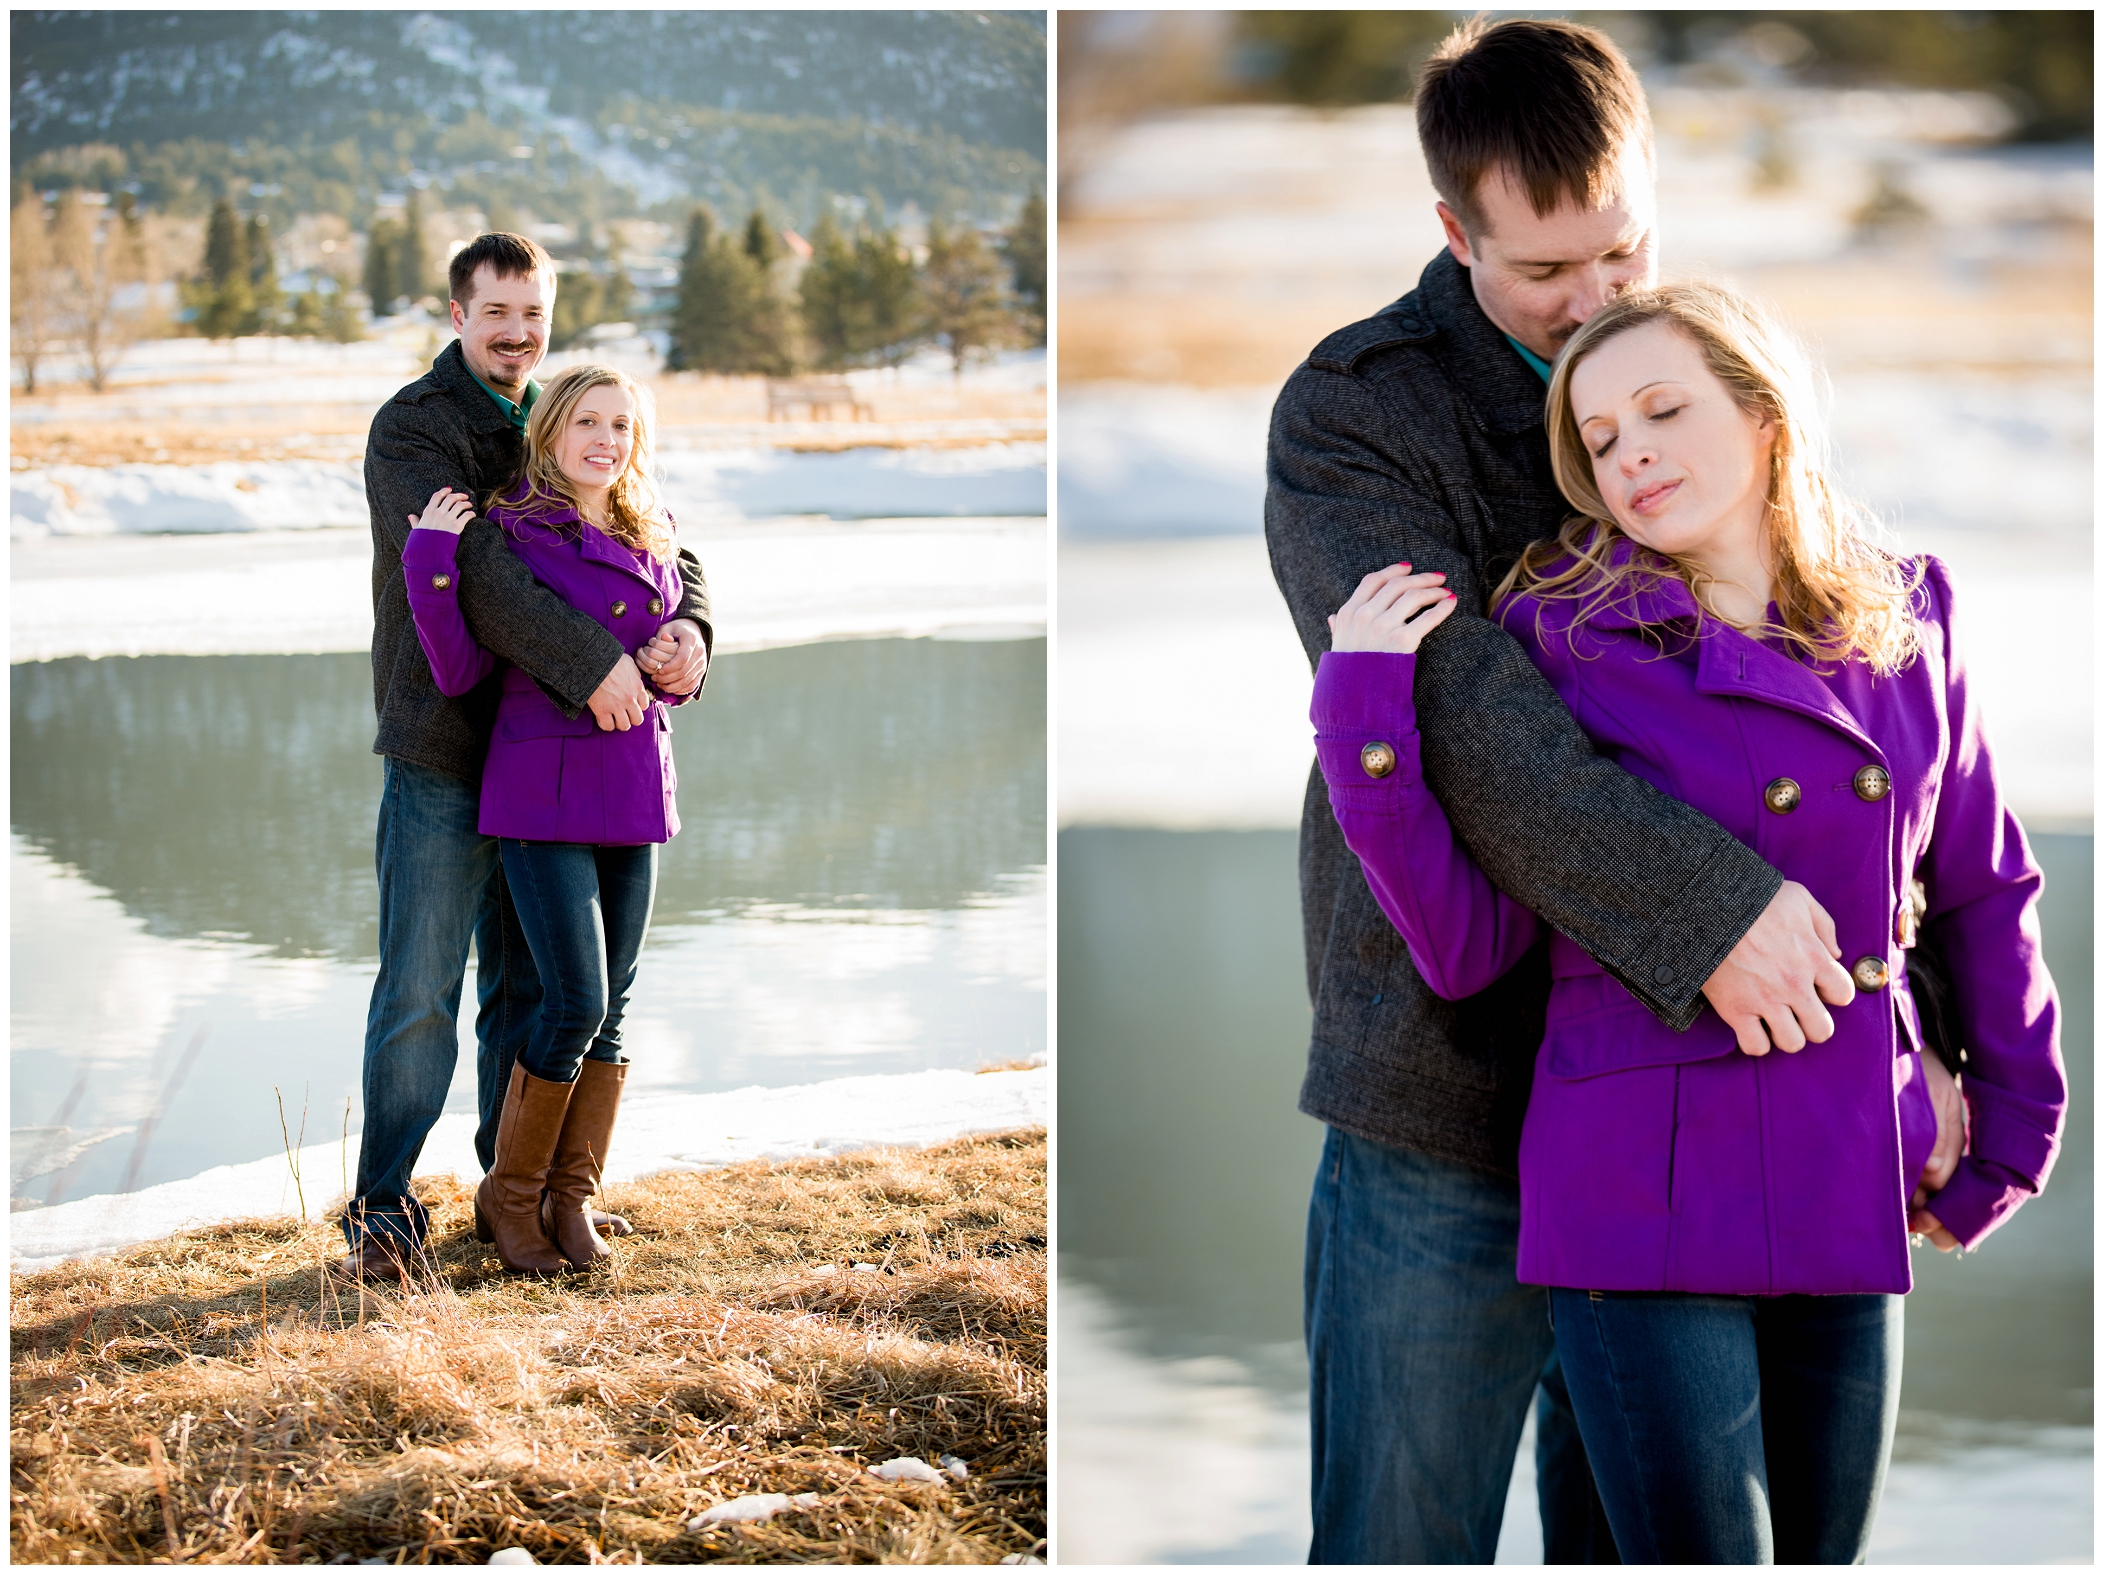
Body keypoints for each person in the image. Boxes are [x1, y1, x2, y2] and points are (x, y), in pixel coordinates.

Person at [1264, 16, 1956, 1563]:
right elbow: (1461, 712)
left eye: (1623, 252)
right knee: (1398, 1535)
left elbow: (1866, 728)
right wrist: (1706, 909)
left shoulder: (1701, 367)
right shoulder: (1354, 412)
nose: (1593, 305)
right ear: (1455, 232)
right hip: (1446, 1076)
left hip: (1696, 1094)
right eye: (1546, 275)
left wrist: (1930, 1042)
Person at [1311, 279, 2064, 1563]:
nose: (1631, 453)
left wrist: (2008, 1135)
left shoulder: (1905, 614)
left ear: (1765, 415)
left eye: (1662, 410)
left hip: (1850, 1171)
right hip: (1634, 1201)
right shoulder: (1559, 638)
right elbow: (1468, 947)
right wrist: (1364, 721)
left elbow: (1981, 885)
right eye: (1598, 439)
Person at [342, 232, 711, 1282]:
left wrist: (694, 630)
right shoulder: (415, 428)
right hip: (442, 742)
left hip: (547, 758)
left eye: (533, 315)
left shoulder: (557, 408)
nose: (516, 333)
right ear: (457, 313)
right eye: (497, 313)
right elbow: (488, 574)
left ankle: (517, 1192)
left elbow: (658, 532)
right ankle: (380, 1210)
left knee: (532, 989)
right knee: (422, 986)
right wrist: (596, 663)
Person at [402, 363, 691, 1274]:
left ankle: (573, 1200)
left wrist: (691, 648)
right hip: (543, 791)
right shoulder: (511, 532)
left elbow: (679, 626)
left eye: (622, 425)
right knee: (576, 999)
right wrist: (428, 561)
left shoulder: (653, 525)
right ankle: (510, 1197)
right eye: (588, 422)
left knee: (614, 1009)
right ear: (552, 430)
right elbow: (456, 672)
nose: (606, 440)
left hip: (637, 782)